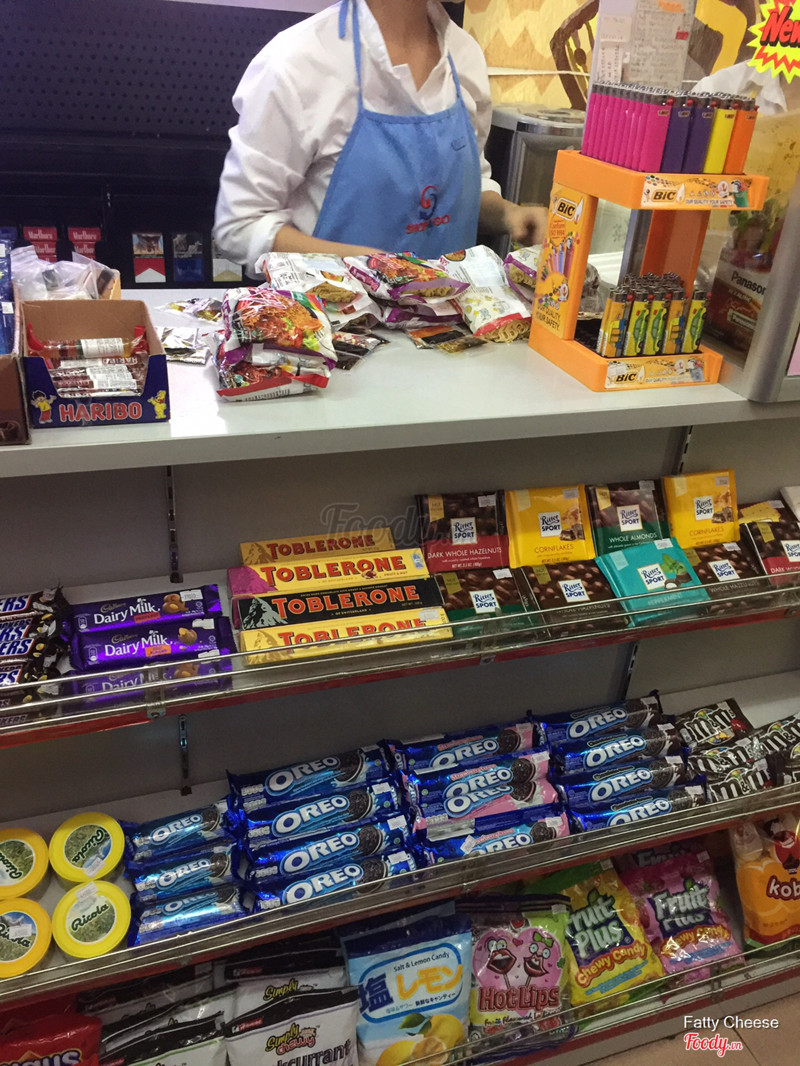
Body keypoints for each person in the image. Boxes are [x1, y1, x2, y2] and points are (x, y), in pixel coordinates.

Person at [213, 0, 547, 274]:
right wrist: (370, 267)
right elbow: (241, 227)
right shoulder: (298, 63)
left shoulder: (465, 56)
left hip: (449, 328)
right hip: (333, 329)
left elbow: (463, 189)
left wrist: (508, 214)